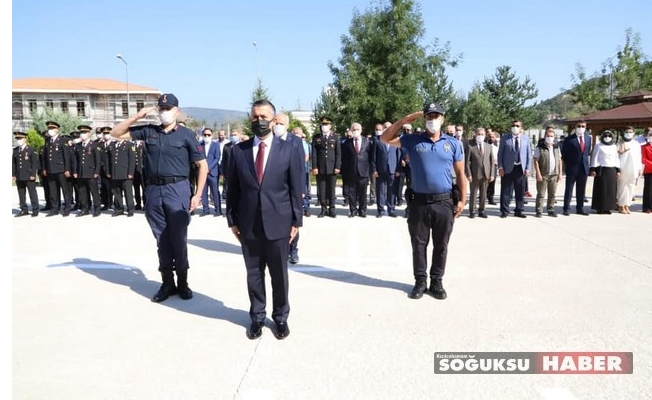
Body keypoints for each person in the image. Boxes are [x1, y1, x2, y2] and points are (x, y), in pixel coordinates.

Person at [110, 93, 208, 303]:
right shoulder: (149, 131)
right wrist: (138, 115)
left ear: (177, 111)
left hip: (178, 189)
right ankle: (167, 283)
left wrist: (198, 195)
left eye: (169, 109)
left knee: (178, 239)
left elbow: (203, 166)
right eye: (162, 109)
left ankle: (182, 282)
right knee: (161, 239)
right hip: (154, 191)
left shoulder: (186, 135)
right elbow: (116, 133)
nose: (165, 112)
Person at [226, 99, 303, 340]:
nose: (260, 121)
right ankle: (257, 316)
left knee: (279, 275)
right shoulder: (238, 151)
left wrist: (296, 222)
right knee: (254, 275)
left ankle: (280, 317)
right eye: (255, 116)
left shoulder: (288, 148)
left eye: (264, 116)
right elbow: (232, 188)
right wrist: (232, 220)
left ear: (273, 119)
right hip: (249, 224)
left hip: (279, 222)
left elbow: (295, 187)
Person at [380, 101, 467, 301]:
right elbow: (385, 138)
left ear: (443, 119)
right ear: (424, 118)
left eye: (436, 116)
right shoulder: (412, 140)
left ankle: (436, 281)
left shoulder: (452, 143)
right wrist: (403, 121)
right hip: (418, 202)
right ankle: (420, 281)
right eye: (428, 116)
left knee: (441, 244)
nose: (432, 120)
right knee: (418, 244)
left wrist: (462, 199)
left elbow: (461, 173)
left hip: (444, 202)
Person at [273, 113, 306, 265]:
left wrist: (301, 188)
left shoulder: (296, 141)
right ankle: (280, 249)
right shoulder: (269, 139)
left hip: (291, 186)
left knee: (294, 219)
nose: (277, 125)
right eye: (275, 122)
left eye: (280, 123)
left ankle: (293, 250)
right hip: (273, 187)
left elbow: (300, 166)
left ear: (287, 125)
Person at [497, 120, 532, 218]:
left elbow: (529, 155)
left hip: (520, 168)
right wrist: (500, 167)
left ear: (521, 128)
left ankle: (519, 210)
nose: (515, 127)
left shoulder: (526, 139)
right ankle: (504, 210)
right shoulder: (505, 138)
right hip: (508, 168)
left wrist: (528, 168)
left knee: (520, 190)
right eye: (513, 125)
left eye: (517, 125)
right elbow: (500, 154)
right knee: (505, 190)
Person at [341, 122, 374, 218]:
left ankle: (362, 210)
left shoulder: (367, 142)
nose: (355, 131)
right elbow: (344, 158)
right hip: (351, 171)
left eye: (357, 129)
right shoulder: (347, 143)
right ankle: (353, 210)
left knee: (363, 192)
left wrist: (370, 170)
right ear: (351, 131)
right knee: (352, 192)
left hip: (363, 170)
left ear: (361, 130)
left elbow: (370, 156)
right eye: (354, 129)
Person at [42, 120, 74, 217]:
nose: (50, 130)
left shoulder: (62, 141)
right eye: (49, 128)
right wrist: (44, 168)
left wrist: (67, 169)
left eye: (52, 128)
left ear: (57, 129)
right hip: (51, 170)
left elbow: (66, 156)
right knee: (53, 191)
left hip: (61, 170)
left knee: (65, 190)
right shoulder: (47, 141)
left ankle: (67, 208)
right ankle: (54, 209)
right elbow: (45, 157)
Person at [311, 116, 341, 218]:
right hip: (321, 167)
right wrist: (314, 167)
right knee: (322, 189)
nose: (324, 126)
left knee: (331, 190)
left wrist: (337, 166)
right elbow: (314, 154)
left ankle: (332, 209)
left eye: (326, 124)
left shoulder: (335, 137)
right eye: (323, 125)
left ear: (330, 126)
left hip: (332, 168)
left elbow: (338, 153)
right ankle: (323, 209)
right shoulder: (316, 138)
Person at [561, 120, 591, 216]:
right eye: (579, 126)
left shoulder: (588, 138)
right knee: (569, 189)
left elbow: (587, 152)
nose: (581, 128)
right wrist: (569, 164)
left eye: (583, 126)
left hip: (583, 168)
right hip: (572, 168)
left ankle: (580, 208)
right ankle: (566, 208)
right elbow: (564, 154)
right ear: (575, 127)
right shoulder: (569, 139)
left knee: (581, 190)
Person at [72, 125, 102, 217]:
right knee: (83, 192)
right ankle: (85, 209)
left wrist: (96, 172)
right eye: (81, 133)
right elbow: (75, 160)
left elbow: (98, 160)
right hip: (81, 173)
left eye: (85, 132)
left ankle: (97, 209)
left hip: (91, 173)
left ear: (89, 133)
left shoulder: (94, 145)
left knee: (94, 192)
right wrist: (75, 171)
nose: (83, 134)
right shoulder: (78, 146)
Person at [371, 122, 400, 217]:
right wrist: (374, 170)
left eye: (389, 127)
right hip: (381, 169)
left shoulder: (396, 139)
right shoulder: (377, 140)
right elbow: (373, 156)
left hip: (392, 168)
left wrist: (398, 169)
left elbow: (398, 155)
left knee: (391, 190)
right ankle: (381, 210)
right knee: (380, 190)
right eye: (385, 127)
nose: (387, 128)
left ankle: (391, 209)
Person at [533, 126, 562, 218]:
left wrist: (560, 173)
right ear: (545, 136)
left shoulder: (556, 147)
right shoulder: (540, 147)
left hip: (554, 174)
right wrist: (538, 173)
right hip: (543, 174)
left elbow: (560, 161)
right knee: (541, 194)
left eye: (552, 136)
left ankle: (550, 209)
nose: (550, 138)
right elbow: (536, 161)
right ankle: (539, 210)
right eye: (548, 136)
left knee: (552, 194)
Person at [465, 127, 494, 218]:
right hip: (474, 174)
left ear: (485, 135)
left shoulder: (488, 146)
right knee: (473, 193)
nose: (480, 136)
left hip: (486, 174)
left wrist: (492, 174)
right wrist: (468, 174)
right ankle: (472, 210)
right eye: (479, 134)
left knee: (483, 193)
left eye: (482, 134)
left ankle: (482, 210)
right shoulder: (470, 146)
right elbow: (466, 163)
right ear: (475, 135)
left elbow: (492, 162)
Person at [590, 130, 620, 214]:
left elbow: (616, 158)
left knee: (610, 190)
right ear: (602, 137)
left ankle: (608, 207)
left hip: (611, 169)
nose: (607, 138)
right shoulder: (599, 146)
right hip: (601, 169)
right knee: (601, 189)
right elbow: (594, 157)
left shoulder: (614, 146)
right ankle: (599, 207)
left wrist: (618, 170)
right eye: (605, 136)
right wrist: (593, 169)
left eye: (609, 136)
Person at [12, 131, 40, 217]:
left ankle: (35, 209)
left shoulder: (31, 149)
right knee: (21, 193)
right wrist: (13, 174)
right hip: (19, 175)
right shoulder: (16, 150)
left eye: (20, 138)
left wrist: (33, 174)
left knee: (32, 193)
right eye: (17, 139)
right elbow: (13, 163)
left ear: (25, 139)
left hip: (28, 175)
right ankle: (24, 209)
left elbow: (34, 163)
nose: (19, 140)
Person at [616, 126, 642, 214]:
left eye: (630, 132)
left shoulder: (636, 144)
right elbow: (616, 157)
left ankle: (627, 205)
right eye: (627, 132)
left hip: (633, 168)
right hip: (623, 168)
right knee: (622, 187)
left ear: (633, 133)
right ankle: (621, 205)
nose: (628, 134)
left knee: (631, 187)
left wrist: (639, 168)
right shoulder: (620, 143)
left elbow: (639, 157)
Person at [108, 136, 136, 217]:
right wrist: (109, 172)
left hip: (125, 173)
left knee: (128, 193)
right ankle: (119, 209)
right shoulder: (112, 145)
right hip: (115, 173)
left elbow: (132, 160)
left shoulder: (129, 145)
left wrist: (130, 172)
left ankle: (130, 209)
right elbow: (109, 160)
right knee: (116, 193)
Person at [200, 128, 223, 216]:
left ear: (211, 135)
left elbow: (217, 158)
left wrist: (208, 168)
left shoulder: (216, 145)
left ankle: (218, 210)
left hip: (212, 172)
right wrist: (202, 168)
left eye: (208, 135)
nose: (207, 136)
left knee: (215, 191)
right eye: (205, 134)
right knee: (203, 191)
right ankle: (205, 210)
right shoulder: (199, 145)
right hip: (202, 173)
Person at [485, 127, 499, 205]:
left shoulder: (497, 146)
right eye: (490, 137)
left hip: (494, 166)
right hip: (486, 166)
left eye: (493, 137)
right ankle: (483, 196)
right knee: (485, 182)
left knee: (492, 182)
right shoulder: (484, 145)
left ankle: (491, 198)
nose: (491, 138)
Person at [641, 129, 652, 213]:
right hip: (649, 170)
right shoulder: (644, 147)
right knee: (648, 189)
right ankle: (646, 207)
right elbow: (643, 159)